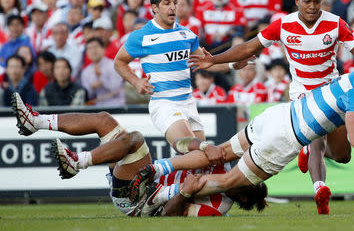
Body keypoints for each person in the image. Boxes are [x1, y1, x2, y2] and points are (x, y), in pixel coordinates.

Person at [189, 0, 354, 214]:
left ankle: (306, 151)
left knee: (343, 156)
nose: (312, 6)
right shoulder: (282, 25)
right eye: (308, 1)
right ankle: (319, 188)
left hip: (332, 92)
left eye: (317, 2)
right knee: (317, 140)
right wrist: (214, 60)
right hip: (302, 95)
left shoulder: (336, 24)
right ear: (298, 2)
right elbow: (249, 47)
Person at [132, 56, 354, 214]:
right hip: (283, 140)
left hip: (275, 115)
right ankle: (164, 194)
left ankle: (158, 168)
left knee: (219, 152)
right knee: (228, 181)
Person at [11, 93, 267, 217]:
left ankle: (77, 163)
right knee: (103, 120)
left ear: (241, 194)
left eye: (243, 180)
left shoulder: (218, 207)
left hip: (139, 201)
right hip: (145, 178)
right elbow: (181, 144)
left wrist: (185, 194)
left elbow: (169, 218)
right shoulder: (222, 162)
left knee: (135, 140)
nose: (239, 173)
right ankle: (35, 122)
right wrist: (200, 146)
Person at [114, 0, 250, 167]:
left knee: (203, 164)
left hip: (188, 103)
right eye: (167, 3)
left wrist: (234, 65)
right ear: (154, 7)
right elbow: (119, 61)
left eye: (175, 3)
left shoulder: (186, 34)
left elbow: (205, 64)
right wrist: (136, 81)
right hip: (165, 104)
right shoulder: (142, 36)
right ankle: (155, 171)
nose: (172, 7)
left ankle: (169, 188)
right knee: (199, 151)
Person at [81, 37, 125, 106]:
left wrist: (102, 79)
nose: (93, 51)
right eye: (89, 48)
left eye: (95, 47)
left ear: (103, 49)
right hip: (97, 109)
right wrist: (92, 88)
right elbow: (86, 96)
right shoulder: (86, 72)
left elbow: (117, 88)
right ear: (86, 53)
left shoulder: (113, 66)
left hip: (116, 105)